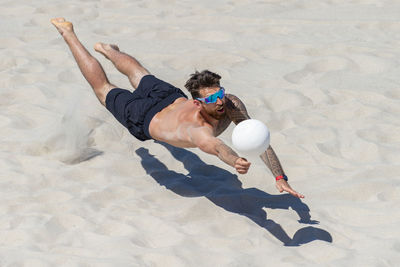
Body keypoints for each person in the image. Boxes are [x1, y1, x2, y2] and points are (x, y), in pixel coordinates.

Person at [51, 18, 304, 198]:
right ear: (197, 103)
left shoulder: (231, 103)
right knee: (103, 88)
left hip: (170, 97)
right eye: (212, 98)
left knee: (138, 72)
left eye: (220, 93)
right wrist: (234, 160)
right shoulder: (199, 131)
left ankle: (109, 51)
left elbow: (257, 138)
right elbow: (218, 148)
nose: (219, 101)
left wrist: (280, 178)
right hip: (143, 116)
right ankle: (69, 34)